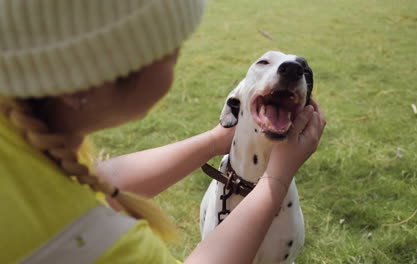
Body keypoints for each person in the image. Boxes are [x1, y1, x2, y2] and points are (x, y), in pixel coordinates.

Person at [0, 0, 326, 263]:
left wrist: (218, 138)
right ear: (85, 73)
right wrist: (277, 179)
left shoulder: (19, 139)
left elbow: (89, 183)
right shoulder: (95, 244)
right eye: (172, 49)